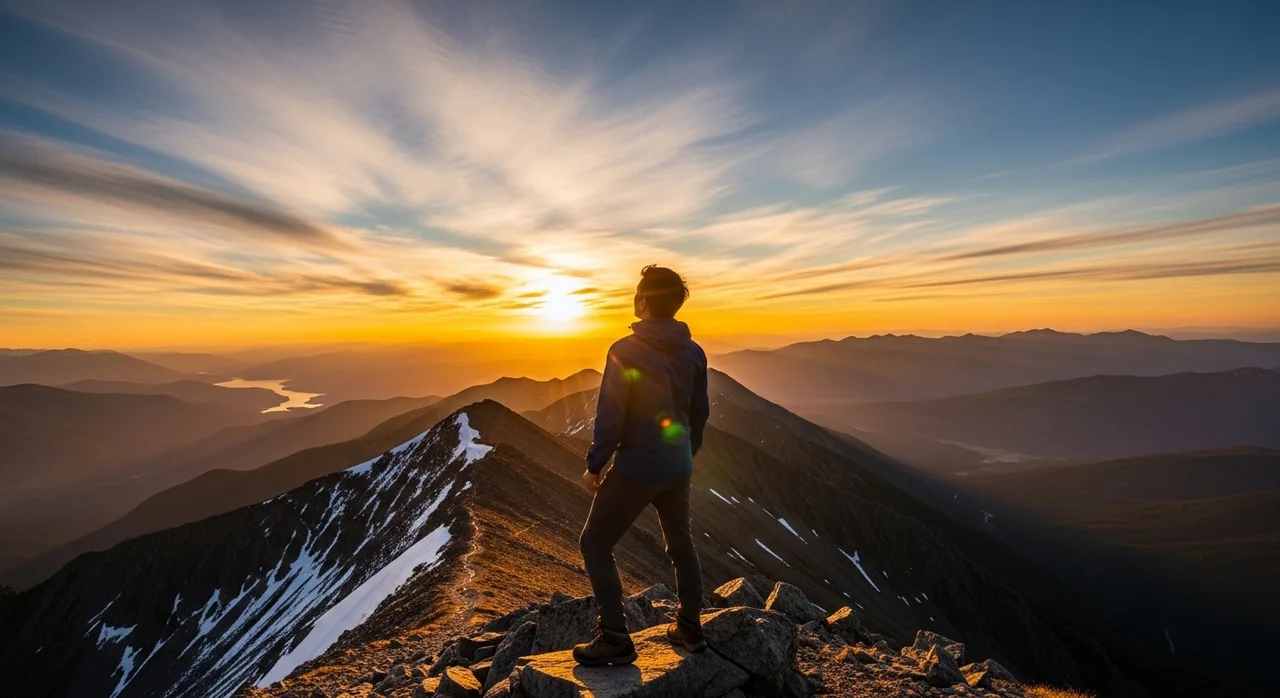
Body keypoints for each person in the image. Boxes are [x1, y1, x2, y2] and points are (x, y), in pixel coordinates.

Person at [572, 265, 711, 667]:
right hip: (677, 465)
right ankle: (689, 626)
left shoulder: (625, 350)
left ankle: (615, 637)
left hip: (637, 467)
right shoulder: (694, 352)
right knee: (681, 545)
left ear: (643, 300)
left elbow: (610, 416)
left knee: (594, 543)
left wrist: (595, 465)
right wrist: (686, 453)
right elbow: (699, 412)